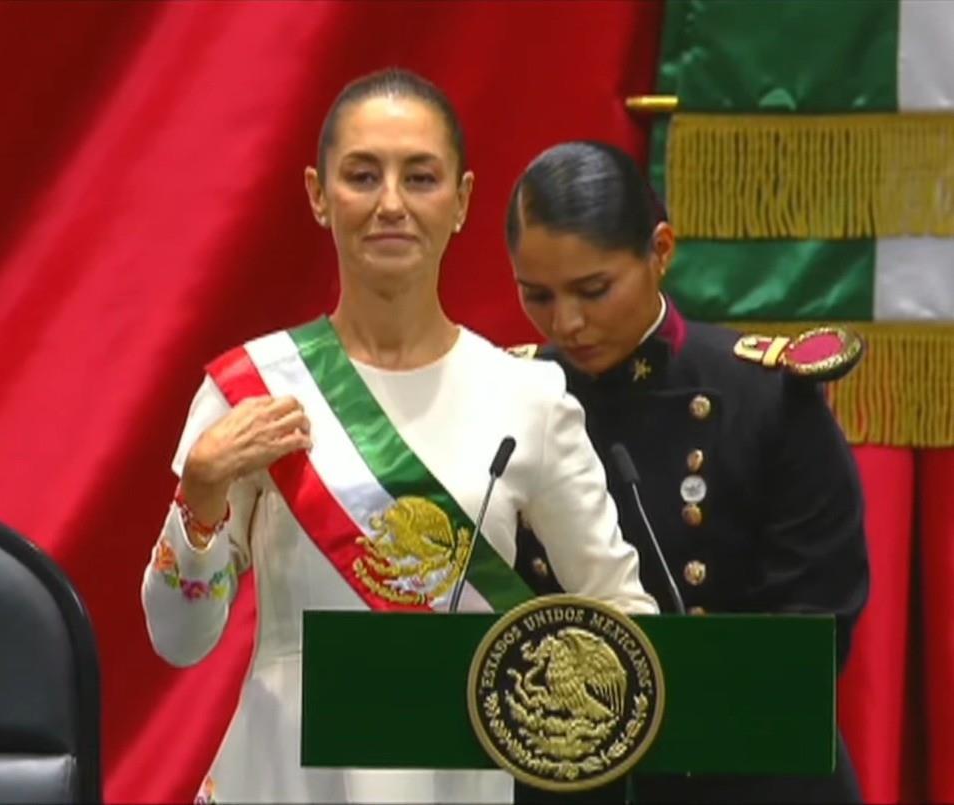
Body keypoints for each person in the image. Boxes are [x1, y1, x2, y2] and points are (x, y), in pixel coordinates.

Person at [141, 72, 658, 804]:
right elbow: (179, 638)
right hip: (286, 775)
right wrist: (200, 491)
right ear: (319, 196)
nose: (390, 204)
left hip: (460, 772)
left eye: (419, 177)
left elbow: (621, 614)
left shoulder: (528, 398)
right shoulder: (251, 389)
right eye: (361, 175)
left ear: (461, 201)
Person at [503, 140, 870, 804]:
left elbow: (814, 624)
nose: (568, 322)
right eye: (537, 295)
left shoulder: (763, 396)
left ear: (660, 250)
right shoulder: (508, 398)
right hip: (568, 775)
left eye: (593, 289)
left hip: (750, 773)